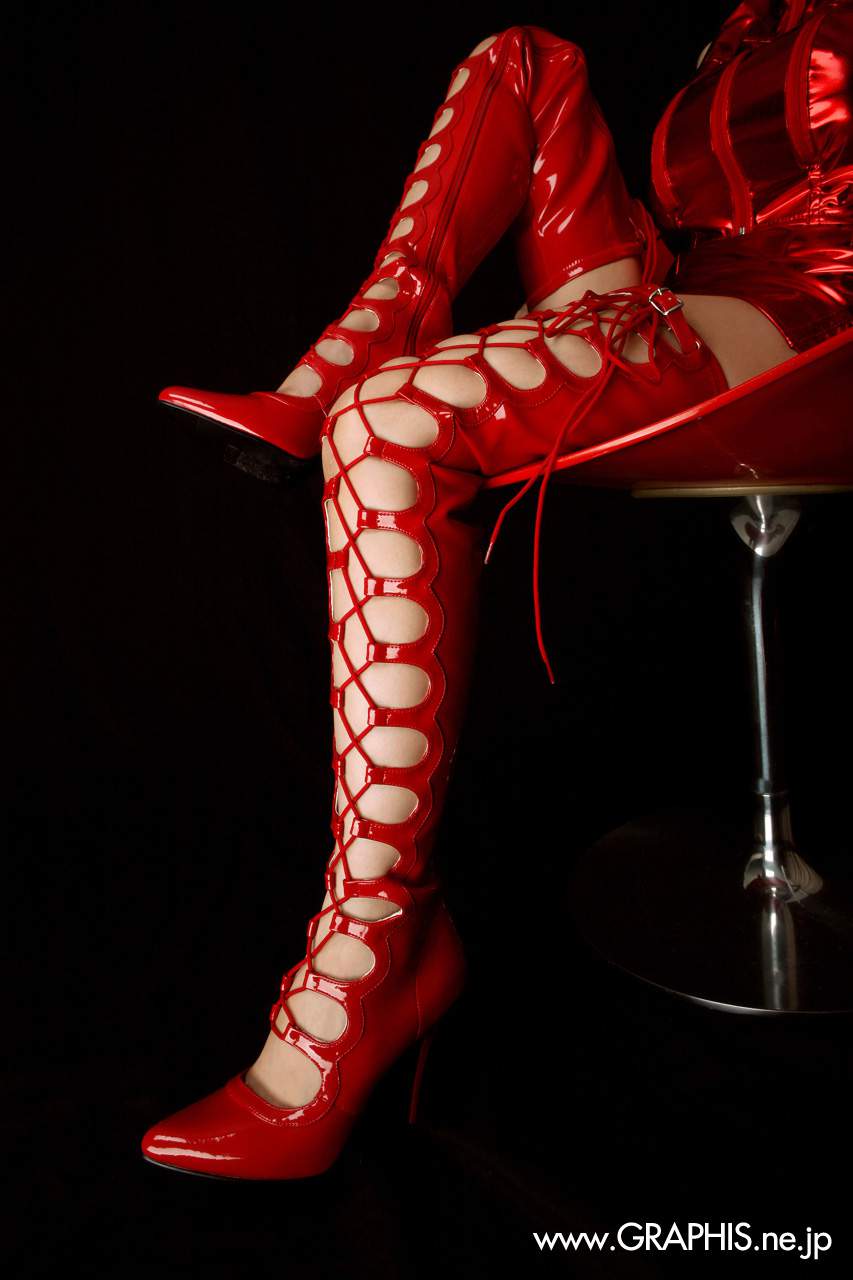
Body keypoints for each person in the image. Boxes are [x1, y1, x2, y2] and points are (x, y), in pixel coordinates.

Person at [142, 0, 853, 1179]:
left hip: (812, 318)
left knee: (386, 423)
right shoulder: (743, 30)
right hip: (682, 294)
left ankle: (371, 950)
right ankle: (354, 344)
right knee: (522, 59)